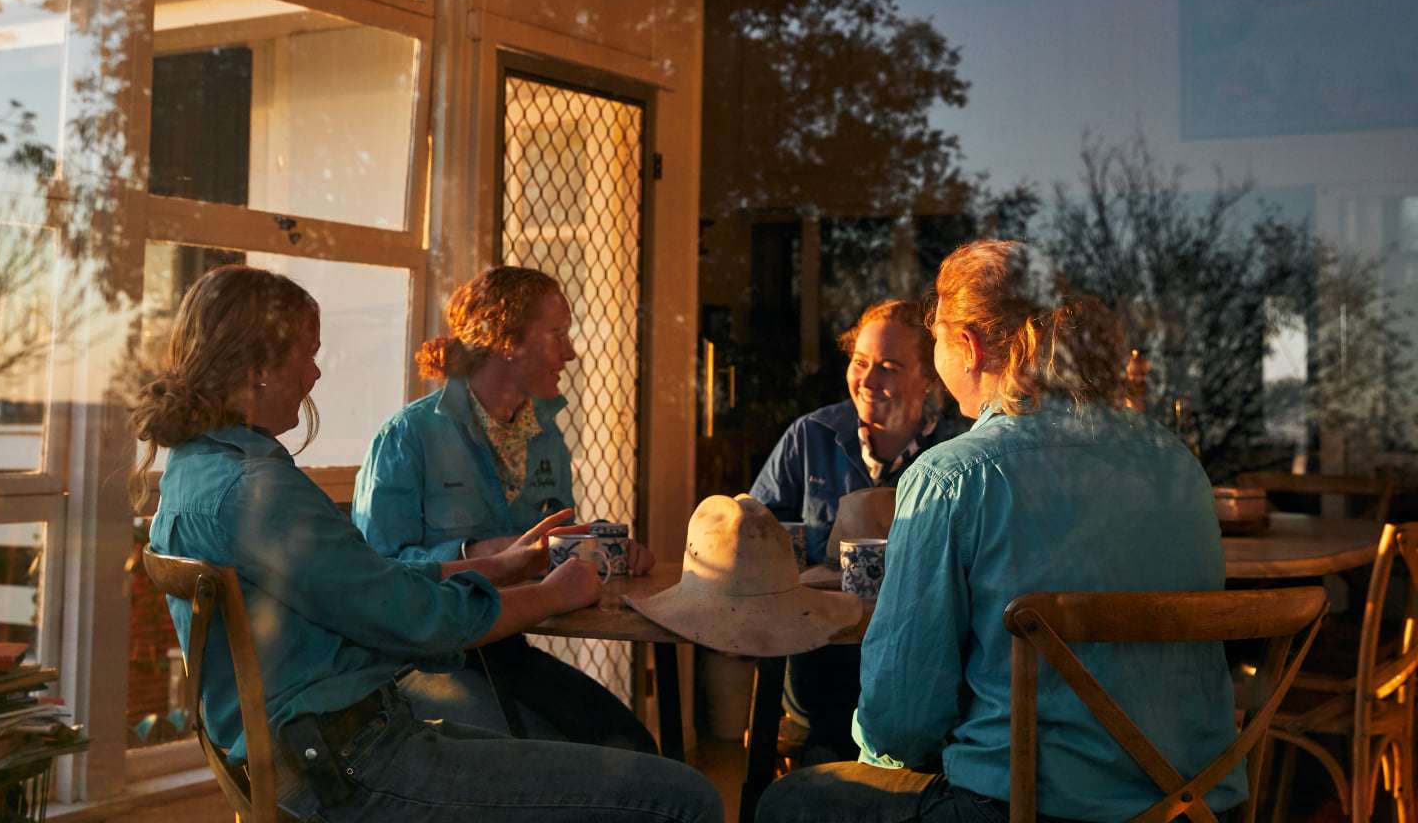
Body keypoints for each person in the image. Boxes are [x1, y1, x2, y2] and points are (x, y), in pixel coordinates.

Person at [134, 265, 721, 823]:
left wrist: (500, 564)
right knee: (681, 796)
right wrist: (552, 594)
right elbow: (412, 618)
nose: (314, 376)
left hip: (315, 755)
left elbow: (370, 583)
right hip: (350, 766)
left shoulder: (193, 471)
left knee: (618, 748)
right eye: (307, 356)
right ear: (259, 363)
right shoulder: (256, 489)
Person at [758, 240, 1246, 823]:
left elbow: (901, 722)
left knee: (790, 801)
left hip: (1018, 810)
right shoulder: (1176, 465)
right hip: (1195, 807)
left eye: (935, 336)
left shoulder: (953, 477)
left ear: (968, 346)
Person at [352, 265, 659, 752]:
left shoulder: (545, 434)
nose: (572, 352)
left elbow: (551, 545)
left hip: (504, 646)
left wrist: (605, 546)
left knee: (630, 744)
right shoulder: (407, 436)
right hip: (419, 662)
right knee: (565, 766)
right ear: (506, 339)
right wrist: (480, 552)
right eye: (557, 334)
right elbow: (374, 577)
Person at [748, 298, 967, 764]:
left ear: (929, 379)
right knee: (823, 765)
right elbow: (751, 537)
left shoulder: (956, 452)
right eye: (860, 362)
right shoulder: (810, 437)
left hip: (921, 676)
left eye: (888, 367)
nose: (867, 381)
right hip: (819, 672)